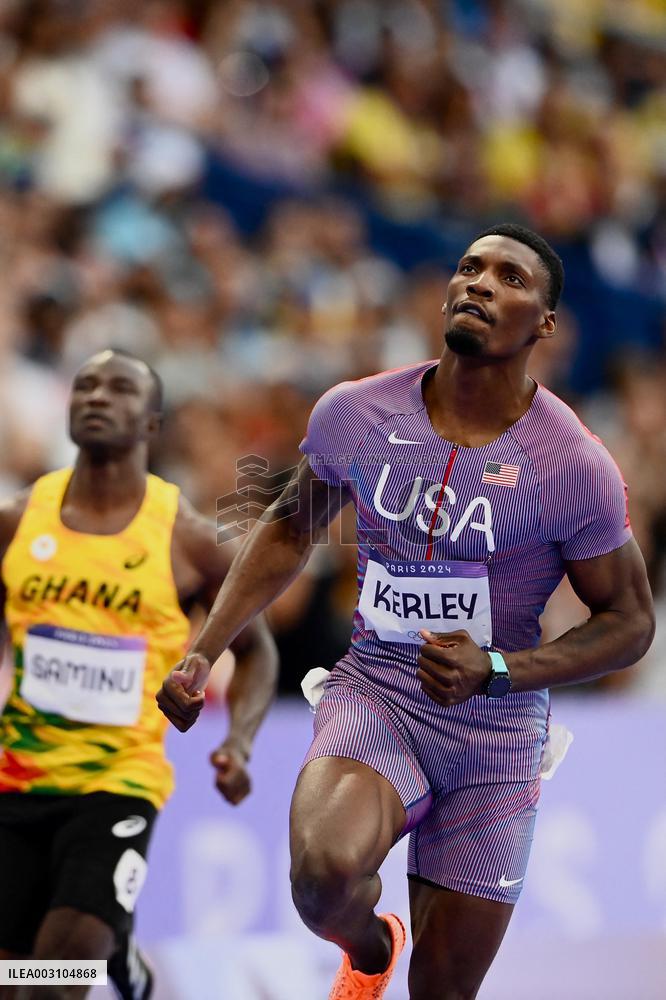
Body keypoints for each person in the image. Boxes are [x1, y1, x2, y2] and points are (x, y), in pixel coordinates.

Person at [157, 224, 655, 1000]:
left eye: (510, 278)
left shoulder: (574, 466)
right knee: (321, 879)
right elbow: (290, 527)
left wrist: (496, 670)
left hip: (496, 728)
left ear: (546, 324)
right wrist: (203, 646)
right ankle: (368, 948)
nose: (481, 284)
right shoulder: (357, 412)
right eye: (469, 268)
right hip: (379, 690)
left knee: (446, 989)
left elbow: (629, 623)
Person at [0, 349, 277, 1000]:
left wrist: (237, 741)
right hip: (17, 780)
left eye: (120, 389)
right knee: (13, 982)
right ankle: (122, 957)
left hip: (117, 788)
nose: (97, 396)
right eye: (85, 386)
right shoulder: (16, 522)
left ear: (152, 426)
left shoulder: (188, 538)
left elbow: (259, 649)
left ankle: (103, 950)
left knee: (51, 985)